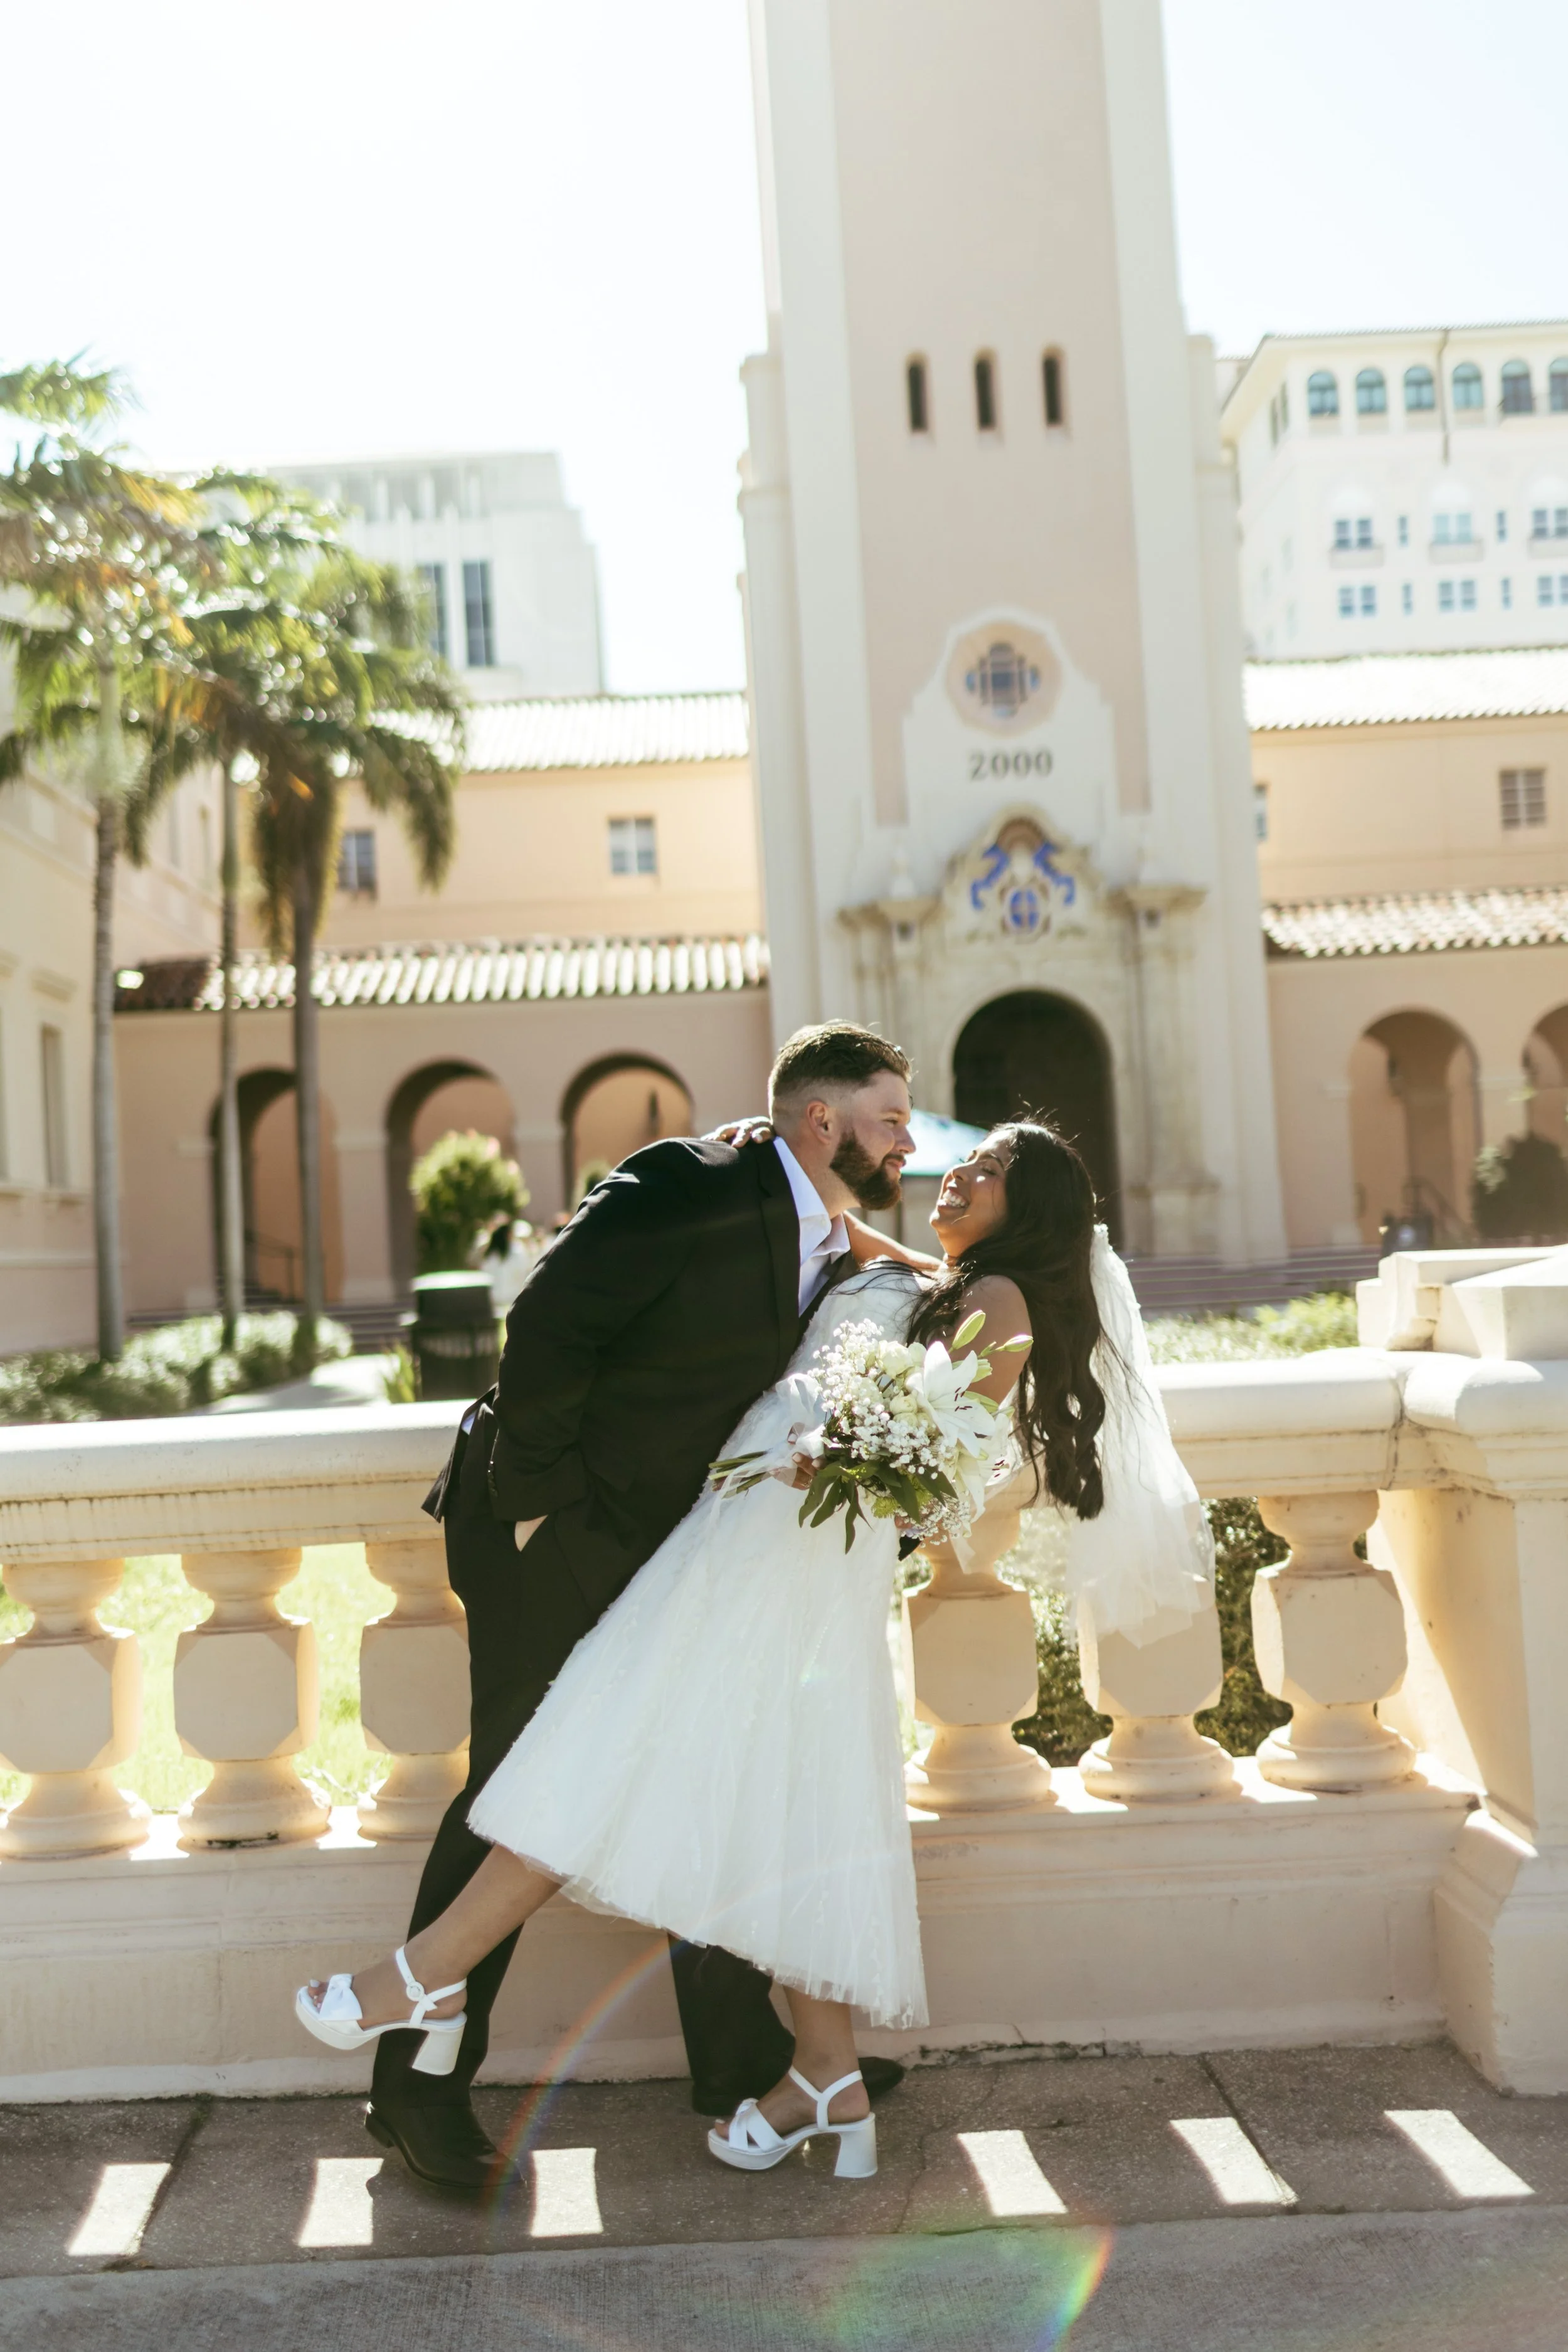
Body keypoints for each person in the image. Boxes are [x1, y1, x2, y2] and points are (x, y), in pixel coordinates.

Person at [299, 1116, 1133, 2182]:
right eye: (964, 1155)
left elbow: (937, 1457)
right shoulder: (930, 1270)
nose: (955, 1168)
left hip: (783, 1563)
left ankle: (425, 1977)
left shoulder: (1001, 1301)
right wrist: (763, 1135)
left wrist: (841, 1452)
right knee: (755, 1796)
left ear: (1038, 1210)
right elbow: (824, 1209)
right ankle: (819, 2068)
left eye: (992, 1169)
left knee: (612, 1754)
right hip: (730, 1547)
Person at [359, 1021, 920, 2191]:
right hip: (549, 1530)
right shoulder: (687, 1177)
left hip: (664, 1546)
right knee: (518, 1782)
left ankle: (744, 2058)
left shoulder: (832, 1231)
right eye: (890, 1117)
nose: (908, 1141)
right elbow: (548, 1326)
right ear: (822, 1121)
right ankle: (414, 2090)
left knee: (700, 1767)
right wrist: (543, 1510)